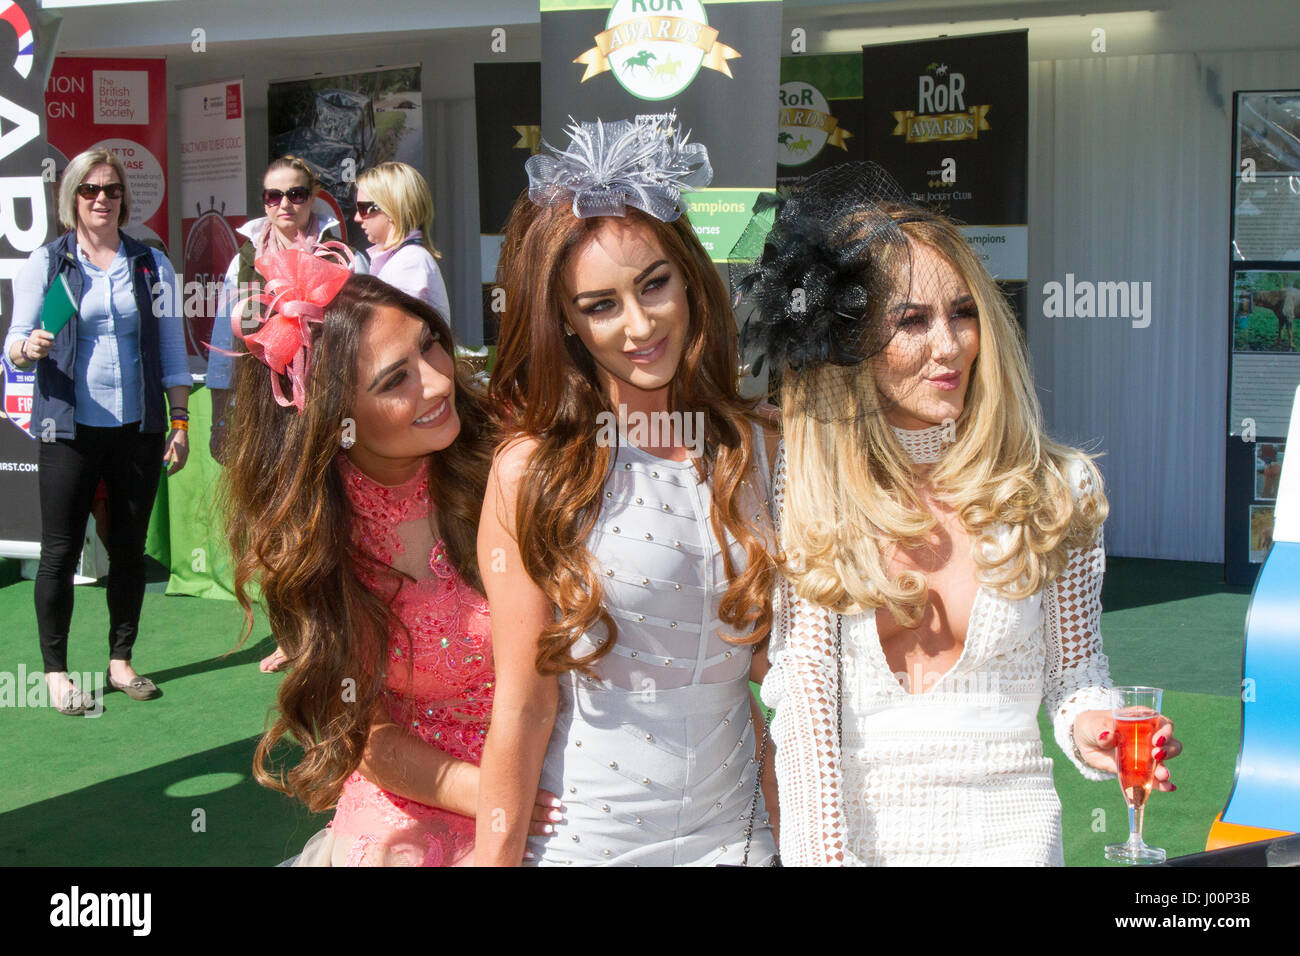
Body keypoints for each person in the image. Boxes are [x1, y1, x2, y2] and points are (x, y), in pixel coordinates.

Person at [734, 163, 1182, 865]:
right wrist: (826, 858)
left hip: (1015, 838)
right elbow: (807, 702)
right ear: (851, 346)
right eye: (911, 321)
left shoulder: (1057, 489)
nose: (949, 346)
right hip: (859, 844)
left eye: (963, 311)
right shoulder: (811, 483)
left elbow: (1074, 674)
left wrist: (1094, 725)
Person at [475, 116, 780, 866]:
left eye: (654, 285)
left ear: (689, 278)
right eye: (601, 305)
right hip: (589, 843)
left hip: (741, 840)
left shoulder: (760, 446)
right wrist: (495, 855)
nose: (641, 325)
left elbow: (789, 681)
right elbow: (521, 703)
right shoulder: (531, 471)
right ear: (568, 323)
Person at [221, 254, 556, 866]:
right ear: (334, 418)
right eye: (393, 379)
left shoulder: (514, 462)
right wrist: (489, 795)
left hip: (561, 759)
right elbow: (364, 736)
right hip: (418, 797)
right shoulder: (315, 546)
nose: (436, 381)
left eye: (431, 345)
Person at [3, 148, 190, 715]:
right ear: (72, 198)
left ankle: (120, 662)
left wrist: (178, 421)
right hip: (67, 427)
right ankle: (57, 675)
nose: (102, 199)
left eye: (111, 189)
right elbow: (12, 342)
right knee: (58, 552)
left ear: (123, 198)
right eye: (90, 190)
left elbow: (172, 347)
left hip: (136, 427)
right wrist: (26, 348)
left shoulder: (151, 263)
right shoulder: (48, 262)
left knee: (129, 552)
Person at [206, 154, 362, 672]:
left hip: (328, 403)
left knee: (332, 517)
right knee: (272, 521)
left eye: (295, 194)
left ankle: (334, 631)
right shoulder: (245, 257)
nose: (284, 205)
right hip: (264, 404)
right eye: (273, 196)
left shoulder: (339, 254)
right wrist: (217, 415)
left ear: (314, 196)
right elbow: (223, 340)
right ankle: (289, 633)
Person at [354, 162, 451, 318]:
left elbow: (390, 334)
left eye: (363, 209)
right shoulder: (405, 259)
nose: (357, 218)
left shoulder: (409, 262)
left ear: (391, 209)